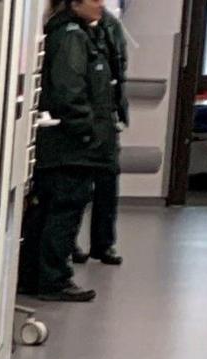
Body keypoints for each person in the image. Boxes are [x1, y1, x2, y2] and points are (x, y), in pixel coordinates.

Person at [22, 0, 123, 303]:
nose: (101, 5)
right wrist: (88, 131)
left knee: (47, 211)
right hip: (71, 145)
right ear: (74, 3)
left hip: (67, 144)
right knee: (63, 211)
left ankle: (32, 277)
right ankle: (53, 280)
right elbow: (69, 93)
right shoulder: (71, 37)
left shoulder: (77, 33)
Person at [78, 0, 133, 266]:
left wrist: (119, 112)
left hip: (107, 115)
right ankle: (70, 245)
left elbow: (118, 71)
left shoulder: (111, 25)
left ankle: (104, 244)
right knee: (76, 184)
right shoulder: (73, 29)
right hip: (85, 116)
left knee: (108, 182)